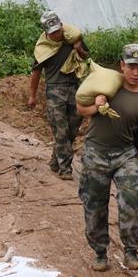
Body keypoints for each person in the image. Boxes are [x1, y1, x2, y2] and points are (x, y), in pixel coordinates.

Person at [78, 44, 138, 272]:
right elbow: (80, 108)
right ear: (122, 65)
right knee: (94, 204)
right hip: (96, 151)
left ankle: (131, 251)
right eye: (131, 66)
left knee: (132, 199)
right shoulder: (107, 86)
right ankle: (100, 253)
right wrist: (97, 106)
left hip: (125, 154)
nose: (135, 72)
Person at [28, 11, 88, 180]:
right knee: (60, 131)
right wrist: (32, 96)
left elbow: (86, 57)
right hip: (55, 91)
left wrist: (79, 49)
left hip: (75, 89)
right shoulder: (43, 49)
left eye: (58, 30)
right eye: (52, 32)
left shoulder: (73, 38)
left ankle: (55, 161)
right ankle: (65, 169)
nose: (57, 34)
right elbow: (36, 73)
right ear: (46, 32)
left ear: (62, 26)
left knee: (71, 130)